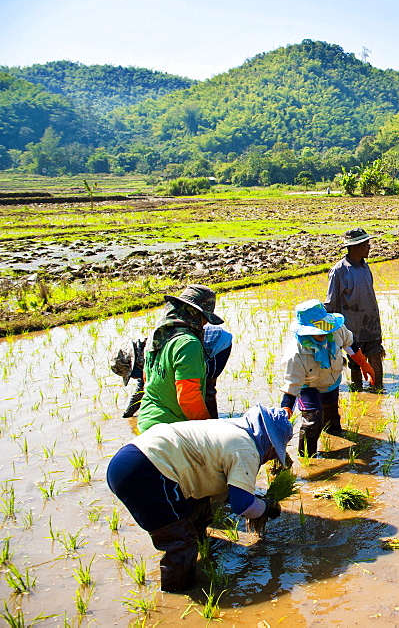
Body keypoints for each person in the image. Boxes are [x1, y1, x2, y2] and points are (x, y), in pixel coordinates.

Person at [106, 405, 293, 592]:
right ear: (269, 443)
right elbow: (241, 504)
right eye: (274, 453)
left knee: (198, 506)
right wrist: (266, 507)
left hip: (129, 459)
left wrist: (256, 501)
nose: (270, 458)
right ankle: (176, 601)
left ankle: (203, 551)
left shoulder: (227, 429)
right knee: (180, 543)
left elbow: (223, 490)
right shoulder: (246, 447)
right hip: (146, 471)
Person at [279, 299, 374, 456]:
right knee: (313, 421)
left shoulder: (335, 331)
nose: (322, 332)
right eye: (316, 329)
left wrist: (364, 364)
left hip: (331, 382)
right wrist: (287, 408)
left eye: (322, 327)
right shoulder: (295, 354)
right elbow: (292, 385)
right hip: (308, 386)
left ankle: (335, 443)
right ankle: (308, 458)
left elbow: (350, 345)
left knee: (332, 419)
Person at [136, 285, 224, 433]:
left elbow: (146, 379)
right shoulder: (188, 344)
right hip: (171, 432)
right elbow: (188, 398)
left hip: (146, 424)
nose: (206, 324)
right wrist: (210, 432)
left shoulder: (157, 335)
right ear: (195, 314)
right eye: (205, 318)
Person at [115, 324, 233, 419]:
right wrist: (127, 415)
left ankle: (213, 425)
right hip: (196, 340)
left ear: (134, 363)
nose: (135, 378)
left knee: (206, 388)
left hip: (216, 342)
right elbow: (143, 388)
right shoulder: (146, 355)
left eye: (132, 375)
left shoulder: (155, 348)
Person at [325, 228, 384, 390]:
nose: (369, 247)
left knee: (376, 357)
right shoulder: (339, 271)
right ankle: (357, 390)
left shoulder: (365, 267)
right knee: (355, 363)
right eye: (366, 244)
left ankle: (378, 390)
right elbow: (331, 304)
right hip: (352, 329)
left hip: (371, 325)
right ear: (355, 247)